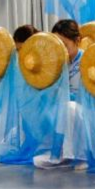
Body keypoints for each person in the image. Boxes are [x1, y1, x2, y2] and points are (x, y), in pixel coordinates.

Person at [33, 19, 87, 170]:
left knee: (69, 108)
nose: (60, 50)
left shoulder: (87, 60)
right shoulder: (55, 63)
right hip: (62, 108)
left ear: (77, 41)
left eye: (64, 45)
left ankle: (79, 155)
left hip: (86, 111)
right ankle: (57, 151)